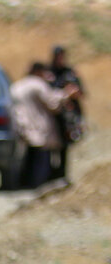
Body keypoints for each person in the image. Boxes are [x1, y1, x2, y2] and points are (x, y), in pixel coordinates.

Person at [10, 62, 79, 189]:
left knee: (28, 158)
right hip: (39, 129)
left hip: (23, 128)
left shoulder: (18, 85)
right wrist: (66, 94)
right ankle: (39, 185)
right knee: (41, 160)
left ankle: (26, 183)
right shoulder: (37, 85)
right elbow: (52, 102)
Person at [49, 45, 85, 181]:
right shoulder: (50, 73)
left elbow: (81, 92)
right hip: (53, 114)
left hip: (68, 116)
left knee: (65, 145)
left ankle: (62, 175)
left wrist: (73, 93)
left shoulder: (70, 73)